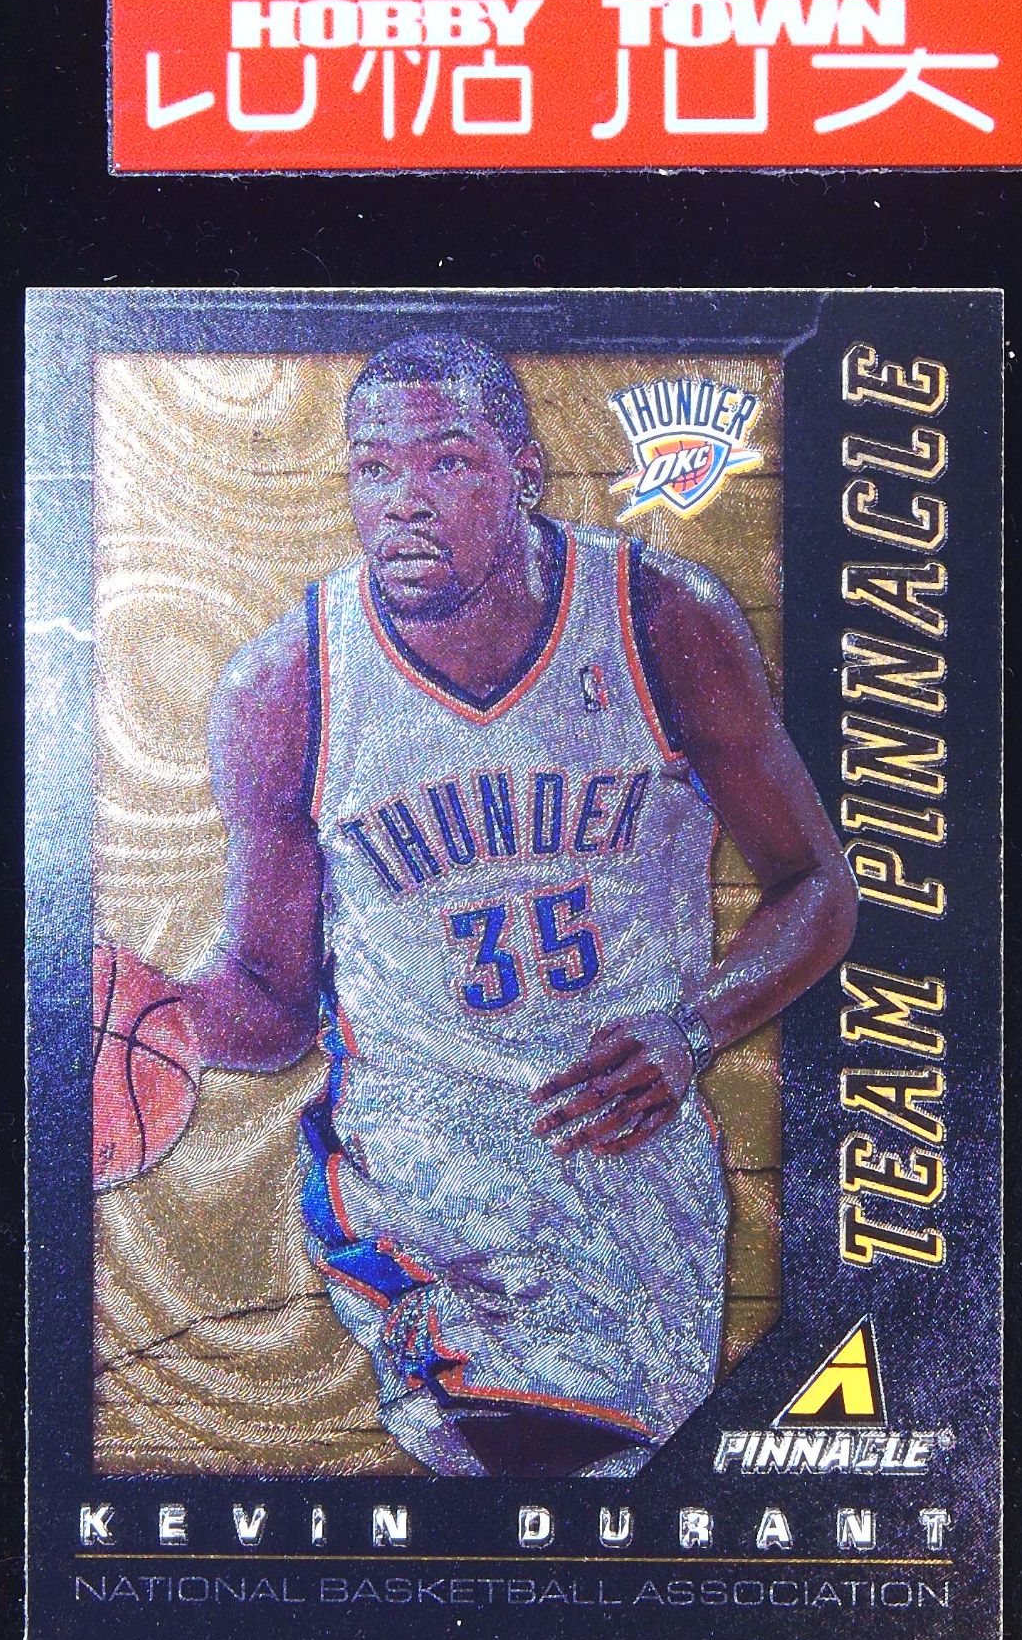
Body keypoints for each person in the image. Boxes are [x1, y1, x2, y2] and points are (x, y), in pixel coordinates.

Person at [116, 334, 856, 1479]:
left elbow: (815, 890)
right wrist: (150, 1022)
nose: (404, 501)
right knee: (526, 1471)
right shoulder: (287, 684)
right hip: (421, 1187)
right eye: (374, 469)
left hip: (626, 1178)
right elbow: (269, 997)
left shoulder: (662, 621)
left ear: (524, 473)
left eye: (447, 462)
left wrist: (692, 1028)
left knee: (601, 1510)